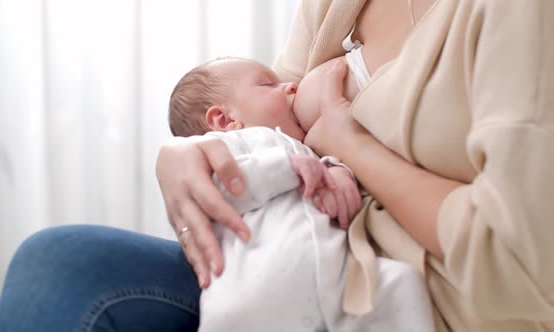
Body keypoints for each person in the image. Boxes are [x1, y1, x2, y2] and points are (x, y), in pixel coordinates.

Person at [0, 0, 554, 331]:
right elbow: (265, 119)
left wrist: (350, 145)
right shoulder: (334, 8)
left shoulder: (518, 16)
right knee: (57, 261)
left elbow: (520, 262)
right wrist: (183, 154)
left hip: (408, 297)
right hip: (287, 259)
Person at [168, 56, 434, 331]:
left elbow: (320, 169)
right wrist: (288, 166)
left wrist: (337, 172)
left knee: (401, 282)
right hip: (253, 289)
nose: (290, 86)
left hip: (330, 281)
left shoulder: (301, 147)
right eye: (268, 84)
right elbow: (217, 188)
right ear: (225, 119)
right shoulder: (224, 146)